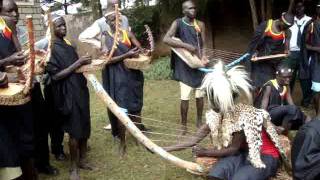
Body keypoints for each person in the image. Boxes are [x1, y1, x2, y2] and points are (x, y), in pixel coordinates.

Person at [164, 62, 286, 180]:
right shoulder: (218, 114)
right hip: (242, 153)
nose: (210, 103)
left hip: (264, 155)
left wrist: (205, 152)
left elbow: (233, 149)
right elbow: (194, 139)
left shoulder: (244, 115)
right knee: (215, 175)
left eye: (213, 100)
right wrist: (164, 149)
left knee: (240, 178)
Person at [45, 15, 92, 180]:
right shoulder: (51, 48)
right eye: (59, 26)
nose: (63, 28)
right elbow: (56, 76)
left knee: (85, 125)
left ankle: (83, 159)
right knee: (74, 129)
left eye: (64, 25)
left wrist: (85, 61)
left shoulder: (68, 44)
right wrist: (78, 63)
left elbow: (75, 63)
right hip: (67, 93)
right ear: (52, 29)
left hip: (80, 89)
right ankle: (73, 167)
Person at [98, 12, 145, 156]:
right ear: (107, 22)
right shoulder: (106, 37)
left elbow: (139, 49)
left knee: (136, 107)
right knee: (121, 110)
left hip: (133, 75)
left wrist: (139, 52)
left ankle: (140, 138)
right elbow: (108, 60)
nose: (115, 23)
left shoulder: (127, 34)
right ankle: (122, 142)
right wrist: (127, 55)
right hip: (117, 77)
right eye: (112, 20)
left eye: (117, 19)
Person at [79, 0, 129, 131]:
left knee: (127, 93)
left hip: (126, 63)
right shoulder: (101, 22)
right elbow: (82, 37)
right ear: (108, 7)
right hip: (111, 66)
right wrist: (101, 45)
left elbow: (127, 35)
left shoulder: (124, 18)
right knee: (112, 94)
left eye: (117, 5)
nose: (116, 8)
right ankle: (114, 125)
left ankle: (130, 122)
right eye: (113, 5)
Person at [0, 0, 37, 179]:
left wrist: (23, 61)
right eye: (8, 10)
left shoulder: (6, 25)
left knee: (25, 138)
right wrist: (7, 62)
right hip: (3, 99)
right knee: (8, 144)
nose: (13, 14)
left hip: (17, 91)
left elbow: (18, 53)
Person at [163, 0, 208, 135]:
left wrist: (203, 57)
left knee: (199, 94)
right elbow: (166, 39)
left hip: (198, 63)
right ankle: (183, 125)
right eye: (189, 8)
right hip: (184, 63)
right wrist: (187, 46)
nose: (193, 10)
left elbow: (203, 44)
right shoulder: (178, 23)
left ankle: (199, 121)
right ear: (184, 11)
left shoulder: (200, 24)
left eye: (194, 8)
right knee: (185, 96)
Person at [255, 64, 309, 134]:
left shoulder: (286, 86)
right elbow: (263, 111)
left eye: (289, 77)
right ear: (277, 76)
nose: (288, 79)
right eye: (285, 77)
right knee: (293, 110)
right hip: (267, 115)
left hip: (279, 114)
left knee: (306, 117)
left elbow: (292, 105)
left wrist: (301, 115)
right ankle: (282, 130)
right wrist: (272, 126)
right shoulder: (269, 86)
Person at [247, 12, 294, 93]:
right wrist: (254, 52)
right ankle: (258, 100)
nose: (286, 28)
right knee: (259, 83)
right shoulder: (266, 26)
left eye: (288, 27)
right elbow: (254, 42)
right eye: (285, 26)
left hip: (274, 59)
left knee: (276, 80)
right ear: (281, 20)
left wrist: (287, 52)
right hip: (260, 58)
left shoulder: (287, 31)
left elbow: (286, 48)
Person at [287, 1, 312, 104]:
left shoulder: (310, 21)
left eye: (301, 7)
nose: (299, 9)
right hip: (291, 52)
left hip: (304, 53)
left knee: (305, 77)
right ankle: (287, 101)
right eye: (297, 7)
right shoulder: (290, 20)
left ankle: (306, 102)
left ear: (304, 8)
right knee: (289, 77)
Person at [305, 2, 320, 116]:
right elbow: (305, 45)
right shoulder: (312, 25)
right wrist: (317, 49)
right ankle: (318, 114)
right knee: (316, 89)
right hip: (316, 62)